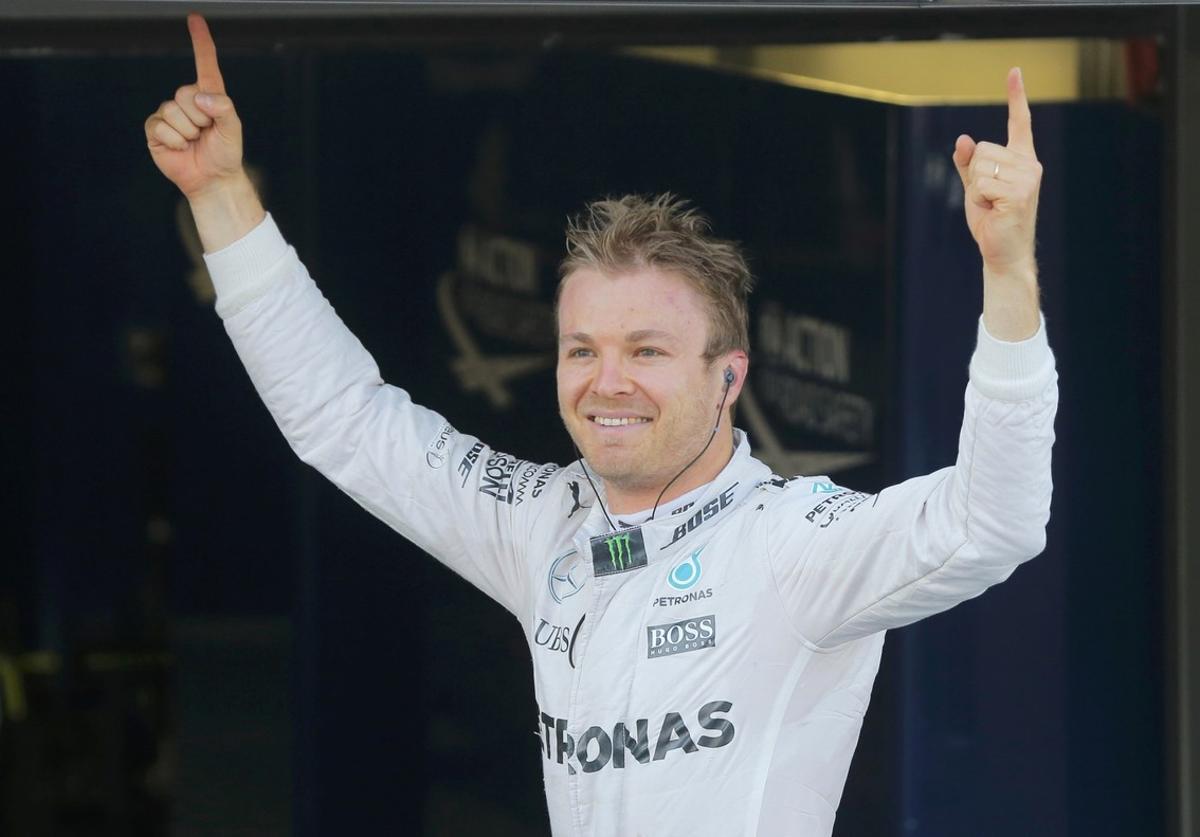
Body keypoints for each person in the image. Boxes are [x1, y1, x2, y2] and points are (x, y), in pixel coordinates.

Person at [146, 14, 1055, 837]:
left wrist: (1007, 270)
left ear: (727, 376)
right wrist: (222, 195)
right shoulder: (541, 523)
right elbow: (342, 419)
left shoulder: (795, 542)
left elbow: (994, 522)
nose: (606, 381)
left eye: (648, 351)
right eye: (582, 350)